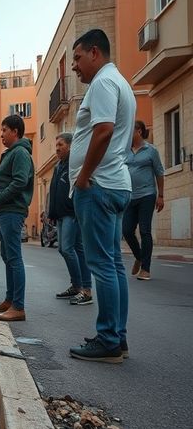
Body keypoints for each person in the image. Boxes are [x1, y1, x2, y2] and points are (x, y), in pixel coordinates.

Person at [68, 28, 135, 364]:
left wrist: (82, 177)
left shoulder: (104, 83)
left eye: (77, 59)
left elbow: (104, 130)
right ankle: (117, 338)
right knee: (113, 265)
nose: (75, 67)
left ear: (95, 52)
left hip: (99, 186)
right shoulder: (119, 82)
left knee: (101, 266)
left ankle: (108, 339)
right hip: (114, 183)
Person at [0, 114, 34, 322]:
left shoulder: (21, 153)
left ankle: (18, 306)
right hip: (5, 211)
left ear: (15, 131)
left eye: (4, 130)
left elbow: (20, 182)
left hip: (12, 211)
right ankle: (10, 300)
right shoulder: (12, 153)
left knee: (14, 258)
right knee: (7, 256)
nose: (1, 135)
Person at [48, 133, 93, 305]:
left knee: (68, 249)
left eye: (61, 144)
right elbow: (54, 191)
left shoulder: (74, 164)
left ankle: (85, 289)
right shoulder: (58, 165)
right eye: (56, 145)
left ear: (71, 146)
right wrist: (52, 213)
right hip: (60, 214)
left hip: (72, 213)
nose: (57, 148)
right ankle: (77, 286)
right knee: (70, 249)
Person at [123, 120, 164, 281]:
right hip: (129, 196)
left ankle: (146, 269)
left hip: (147, 195)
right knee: (126, 230)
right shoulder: (125, 151)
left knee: (145, 230)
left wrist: (161, 195)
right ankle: (139, 257)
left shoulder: (151, 150)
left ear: (139, 131)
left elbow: (159, 172)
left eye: (130, 131)